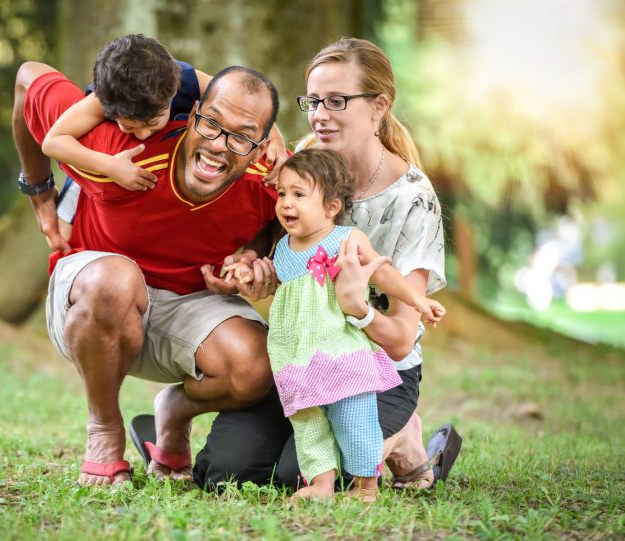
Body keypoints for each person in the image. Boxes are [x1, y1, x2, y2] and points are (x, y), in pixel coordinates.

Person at [190, 38, 460, 491]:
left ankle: (404, 437)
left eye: (337, 101)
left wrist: (359, 309)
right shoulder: (299, 169)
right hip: (303, 357)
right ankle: (386, 441)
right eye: (313, 101)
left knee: (308, 476)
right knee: (225, 473)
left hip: (375, 369)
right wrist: (250, 274)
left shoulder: (413, 200)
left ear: (379, 106)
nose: (319, 114)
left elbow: (397, 340)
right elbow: (281, 265)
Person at [12, 57, 283, 486]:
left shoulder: (271, 180)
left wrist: (253, 256)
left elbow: (281, 225)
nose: (218, 145)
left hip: (191, 304)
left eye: (243, 138)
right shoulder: (115, 150)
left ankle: (173, 414)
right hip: (97, 296)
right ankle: (104, 428)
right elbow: (29, 79)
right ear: (191, 111)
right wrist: (40, 192)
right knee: (114, 280)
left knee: (256, 367)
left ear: (263, 145)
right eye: (211, 124)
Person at [225, 149, 445, 502]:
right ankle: (322, 485)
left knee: (354, 421)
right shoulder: (282, 249)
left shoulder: (346, 239)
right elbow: (283, 294)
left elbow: (384, 274)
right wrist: (247, 272)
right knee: (308, 427)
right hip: (295, 357)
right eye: (282, 193)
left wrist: (419, 301)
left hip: (340, 353)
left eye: (299, 194)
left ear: (330, 207)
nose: (285, 203)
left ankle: (366, 487)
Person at [40, 35, 287, 241]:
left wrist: (275, 138)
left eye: (151, 124)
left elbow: (249, 98)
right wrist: (109, 166)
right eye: (129, 127)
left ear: (172, 90)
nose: (143, 134)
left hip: (172, 161)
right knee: (63, 235)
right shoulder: (105, 100)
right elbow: (53, 141)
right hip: (108, 160)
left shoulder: (187, 79)